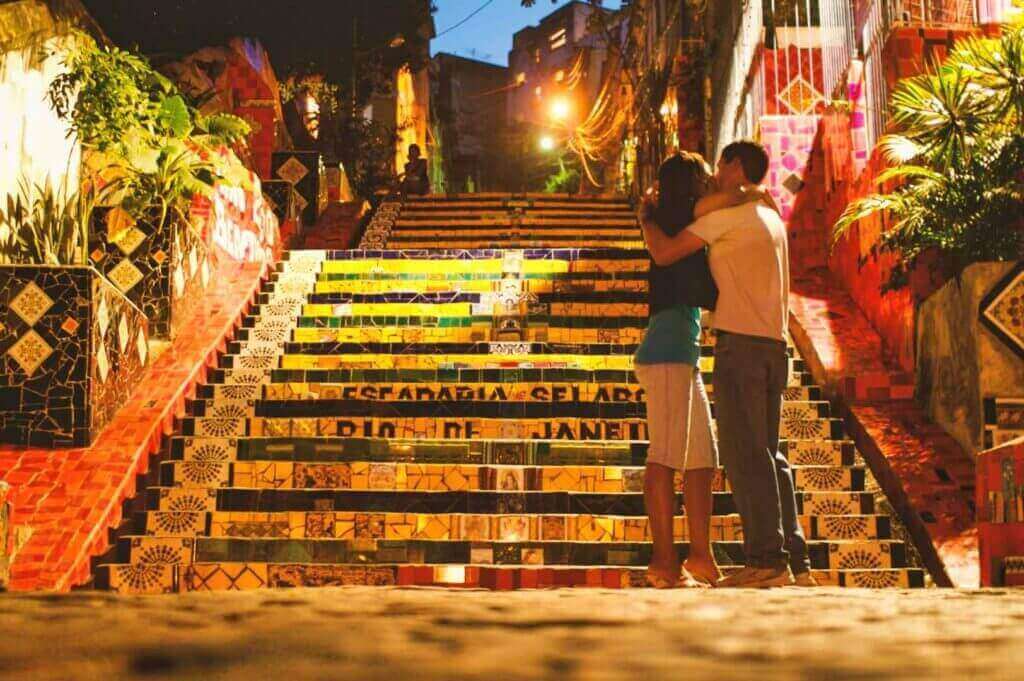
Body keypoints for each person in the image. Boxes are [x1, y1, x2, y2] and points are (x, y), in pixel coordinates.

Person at [639, 141, 816, 589]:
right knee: (761, 455)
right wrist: (748, 193)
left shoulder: (720, 216)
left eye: (720, 164)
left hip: (736, 347)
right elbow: (678, 239)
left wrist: (645, 217)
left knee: (735, 455)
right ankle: (786, 559)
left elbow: (667, 249)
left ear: (735, 166)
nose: (714, 174)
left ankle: (761, 558)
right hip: (762, 346)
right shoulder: (769, 215)